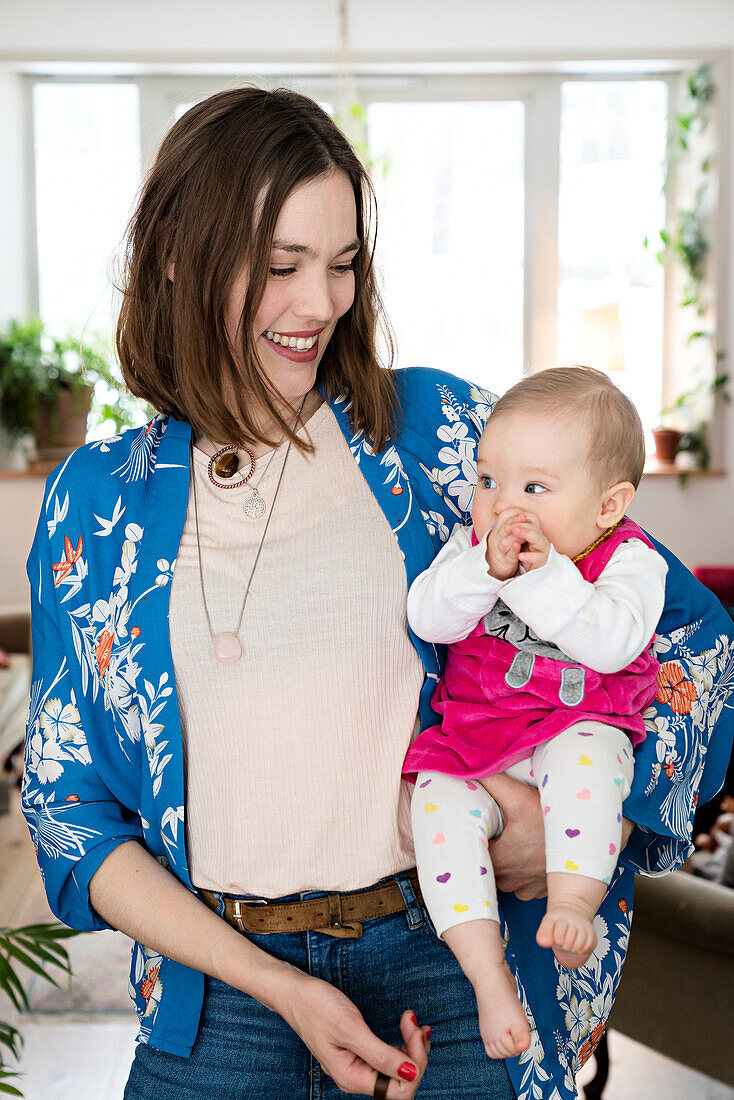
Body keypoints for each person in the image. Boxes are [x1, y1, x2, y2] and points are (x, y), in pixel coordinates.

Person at [21, 86, 733, 1100]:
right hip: (218, 1004)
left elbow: (688, 641)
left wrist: (581, 825)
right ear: (175, 251)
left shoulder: (442, 438)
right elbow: (68, 807)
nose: (320, 303)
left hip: (447, 972)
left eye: (343, 264)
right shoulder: (93, 505)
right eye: (279, 265)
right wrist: (279, 986)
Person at [402, 368, 666, 1059]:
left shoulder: (631, 560)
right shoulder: (474, 548)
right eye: (489, 481)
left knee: (592, 763)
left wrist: (543, 574)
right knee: (435, 807)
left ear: (608, 507)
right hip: (479, 737)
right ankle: (487, 977)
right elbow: (426, 615)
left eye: (535, 488)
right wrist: (482, 572)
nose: (502, 507)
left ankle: (574, 901)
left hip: (578, 720)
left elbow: (611, 643)